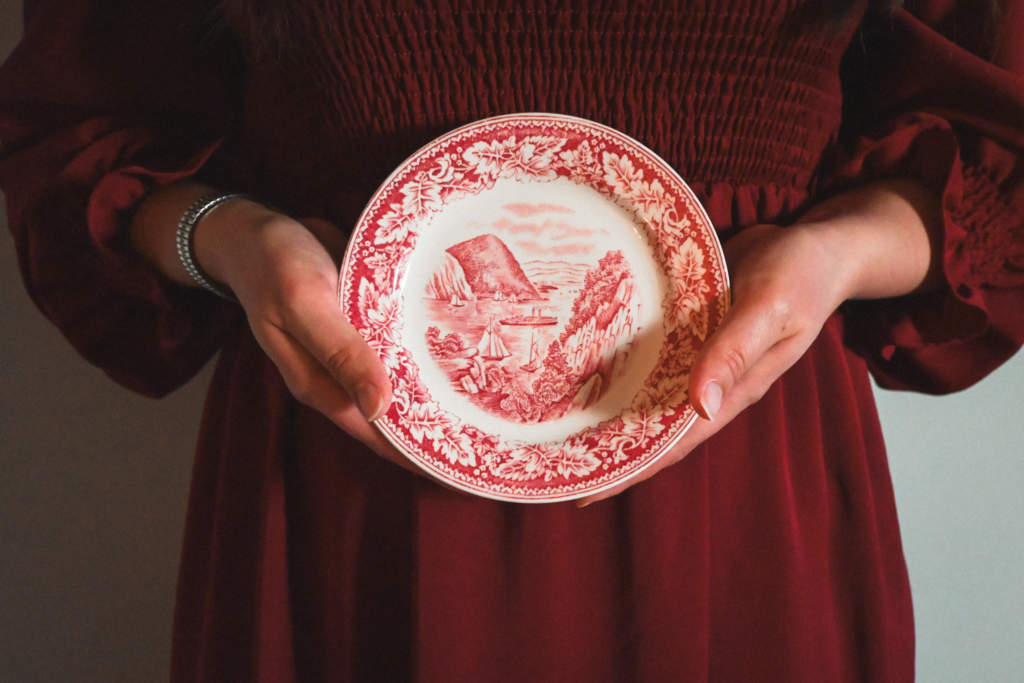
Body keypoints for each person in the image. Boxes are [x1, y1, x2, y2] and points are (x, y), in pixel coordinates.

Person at [1, 0, 1023, 681]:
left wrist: (836, 253)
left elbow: (997, 150)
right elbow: (83, 134)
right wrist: (226, 237)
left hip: (743, 483)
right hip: (355, 475)